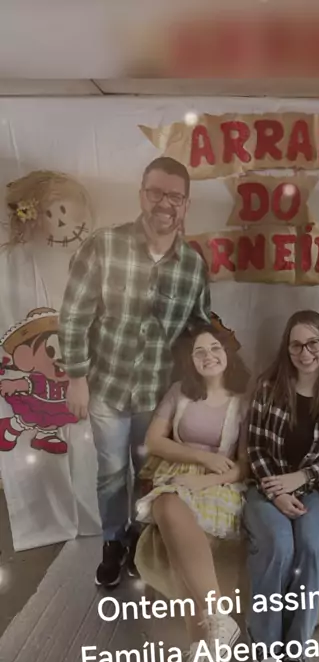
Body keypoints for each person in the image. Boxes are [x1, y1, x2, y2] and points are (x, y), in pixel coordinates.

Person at [58, 156, 210, 588]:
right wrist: (76, 377)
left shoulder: (193, 265)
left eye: (175, 196)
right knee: (110, 473)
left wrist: (209, 381)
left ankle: (142, 542)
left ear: (185, 205)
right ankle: (113, 541)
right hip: (105, 387)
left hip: (156, 396)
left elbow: (197, 325)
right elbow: (74, 315)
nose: (165, 203)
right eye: (156, 192)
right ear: (142, 195)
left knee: (149, 474)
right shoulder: (103, 245)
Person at [135, 323, 250, 662]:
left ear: (227, 353)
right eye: (199, 352)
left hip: (220, 484)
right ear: (190, 360)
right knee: (167, 504)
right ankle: (220, 623)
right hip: (177, 476)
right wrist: (201, 456)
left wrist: (207, 478)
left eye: (215, 348)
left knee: (183, 550)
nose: (208, 356)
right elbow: (154, 441)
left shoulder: (243, 400)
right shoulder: (179, 392)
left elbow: (244, 466)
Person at [244, 310, 319, 662]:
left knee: (313, 546)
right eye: (296, 345)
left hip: (317, 490)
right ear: (287, 349)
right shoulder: (268, 386)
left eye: (313, 343)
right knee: (278, 544)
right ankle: (264, 638)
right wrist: (276, 490)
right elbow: (254, 447)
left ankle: (297, 645)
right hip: (266, 487)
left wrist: (301, 478)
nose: (305, 353)